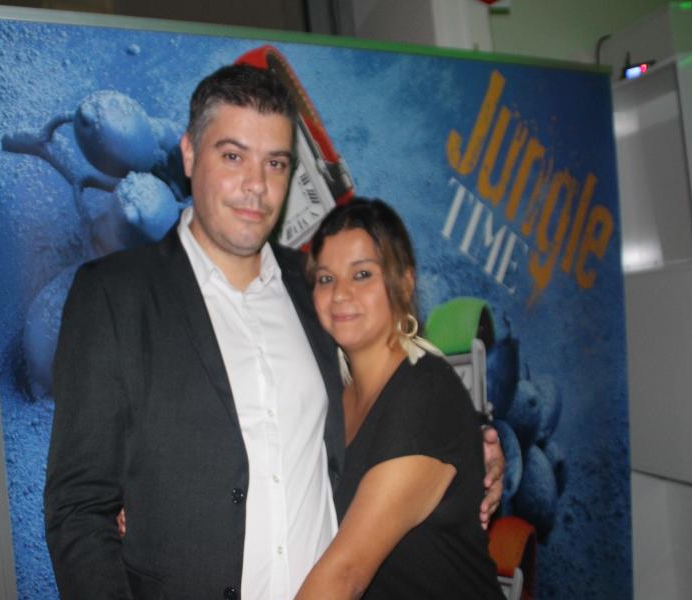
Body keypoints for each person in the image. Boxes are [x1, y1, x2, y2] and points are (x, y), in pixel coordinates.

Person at [45, 64, 503, 600]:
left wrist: (474, 447)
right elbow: (78, 509)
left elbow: (397, 388)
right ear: (189, 154)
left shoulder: (318, 289)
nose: (256, 185)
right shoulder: (114, 294)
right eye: (233, 156)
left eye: (275, 163)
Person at [296, 198, 504, 599]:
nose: (340, 294)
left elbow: (346, 574)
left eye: (362, 274)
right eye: (325, 278)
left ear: (404, 284)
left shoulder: (425, 393)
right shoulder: (334, 395)